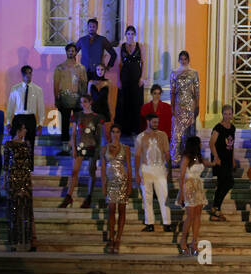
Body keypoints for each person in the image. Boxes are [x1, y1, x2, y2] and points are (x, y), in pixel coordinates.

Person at [60, 93, 102, 208]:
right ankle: (69, 196)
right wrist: (73, 148)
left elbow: (98, 136)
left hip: (92, 146)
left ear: (90, 102)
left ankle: (89, 197)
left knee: (91, 172)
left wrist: (98, 151)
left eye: (85, 101)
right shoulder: (77, 115)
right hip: (79, 146)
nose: (83, 104)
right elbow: (73, 133)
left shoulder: (97, 117)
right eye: (81, 102)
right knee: (74, 172)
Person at [3, 119, 36, 252]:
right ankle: (14, 242)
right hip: (13, 178)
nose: (26, 131)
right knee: (14, 210)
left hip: (25, 178)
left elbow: (29, 165)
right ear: (18, 130)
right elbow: (5, 165)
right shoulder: (8, 144)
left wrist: (29, 180)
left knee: (27, 210)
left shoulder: (27, 144)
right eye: (23, 128)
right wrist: (5, 181)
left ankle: (28, 242)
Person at [137, 112, 172, 232]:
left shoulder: (163, 135)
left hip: (160, 169)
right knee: (147, 198)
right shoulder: (140, 137)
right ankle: (149, 223)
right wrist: (137, 173)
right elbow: (137, 156)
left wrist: (169, 169)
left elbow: (167, 153)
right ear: (148, 122)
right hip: (146, 169)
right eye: (154, 122)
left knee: (164, 196)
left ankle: (167, 223)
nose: (156, 124)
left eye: (157, 122)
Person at [76, 17, 117, 117]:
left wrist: (108, 66)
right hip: (84, 72)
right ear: (87, 27)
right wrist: (74, 68)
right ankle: (84, 118)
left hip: (97, 73)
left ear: (97, 28)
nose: (92, 28)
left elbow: (113, 54)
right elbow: (72, 53)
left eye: (94, 26)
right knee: (83, 95)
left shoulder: (102, 40)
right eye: (90, 26)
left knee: (95, 98)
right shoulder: (82, 40)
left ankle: (96, 118)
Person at [5, 65, 46, 166]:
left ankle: (28, 168)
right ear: (22, 75)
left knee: (29, 144)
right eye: (26, 73)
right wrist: (8, 122)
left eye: (30, 73)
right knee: (16, 143)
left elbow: (41, 108)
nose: (28, 75)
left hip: (30, 118)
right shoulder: (15, 88)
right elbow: (10, 106)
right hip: (18, 118)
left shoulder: (38, 89)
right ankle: (15, 166)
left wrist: (40, 124)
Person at [102, 124, 132, 254]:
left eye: (117, 131)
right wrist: (103, 184)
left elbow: (129, 168)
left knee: (121, 210)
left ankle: (118, 239)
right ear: (110, 133)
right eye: (113, 131)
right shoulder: (104, 148)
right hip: (110, 182)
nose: (115, 134)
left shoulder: (126, 148)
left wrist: (130, 184)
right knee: (111, 209)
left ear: (120, 134)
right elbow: (103, 168)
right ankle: (111, 238)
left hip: (122, 182)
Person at [53, 44, 87, 154]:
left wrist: (84, 100)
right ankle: (65, 147)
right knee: (65, 123)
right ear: (66, 52)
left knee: (78, 124)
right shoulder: (60, 68)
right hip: (64, 99)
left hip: (78, 100)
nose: (71, 53)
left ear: (76, 53)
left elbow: (84, 84)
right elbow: (56, 84)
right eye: (69, 51)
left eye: (73, 51)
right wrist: (56, 98)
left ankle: (78, 146)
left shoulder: (81, 68)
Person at [176, 137, 207, 257]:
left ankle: (194, 242)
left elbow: (204, 165)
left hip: (198, 186)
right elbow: (181, 176)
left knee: (198, 215)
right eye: (199, 143)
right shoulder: (186, 157)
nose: (201, 145)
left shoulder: (198, 157)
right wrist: (181, 194)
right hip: (188, 187)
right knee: (190, 216)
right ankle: (183, 241)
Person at [115, 25, 145, 141]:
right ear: (125, 35)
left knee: (136, 103)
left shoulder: (139, 46)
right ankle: (124, 130)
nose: (130, 36)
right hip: (125, 77)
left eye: (132, 34)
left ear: (135, 35)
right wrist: (118, 79)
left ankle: (135, 129)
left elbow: (143, 62)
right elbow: (119, 64)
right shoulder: (121, 46)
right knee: (124, 103)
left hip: (136, 77)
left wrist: (142, 77)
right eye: (128, 34)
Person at [170, 50, 200, 163]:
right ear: (179, 60)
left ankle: (191, 157)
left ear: (188, 60)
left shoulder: (194, 73)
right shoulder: (174, 73)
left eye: (185, 59)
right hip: (178, 106)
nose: (183, 61)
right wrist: (172, 107)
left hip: (190, 107)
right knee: (177, 131)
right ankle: (176, 158)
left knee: (189, 131)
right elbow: (172, 92)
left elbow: (197, 91)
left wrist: (197, 106)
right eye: (181, 59)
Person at [208, 105, 236, 222]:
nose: (228, 116)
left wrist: (233, 159)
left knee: (225, 183)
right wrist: (216, 157)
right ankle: (216, 208)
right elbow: (211, 143)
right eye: (226, 114)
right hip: (220, 159)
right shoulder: (218, 127)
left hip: (228, 159)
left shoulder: (232, 127)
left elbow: (232, 144)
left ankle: (216, 209)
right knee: (227, 182)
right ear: (222, 114)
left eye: (230, 114)